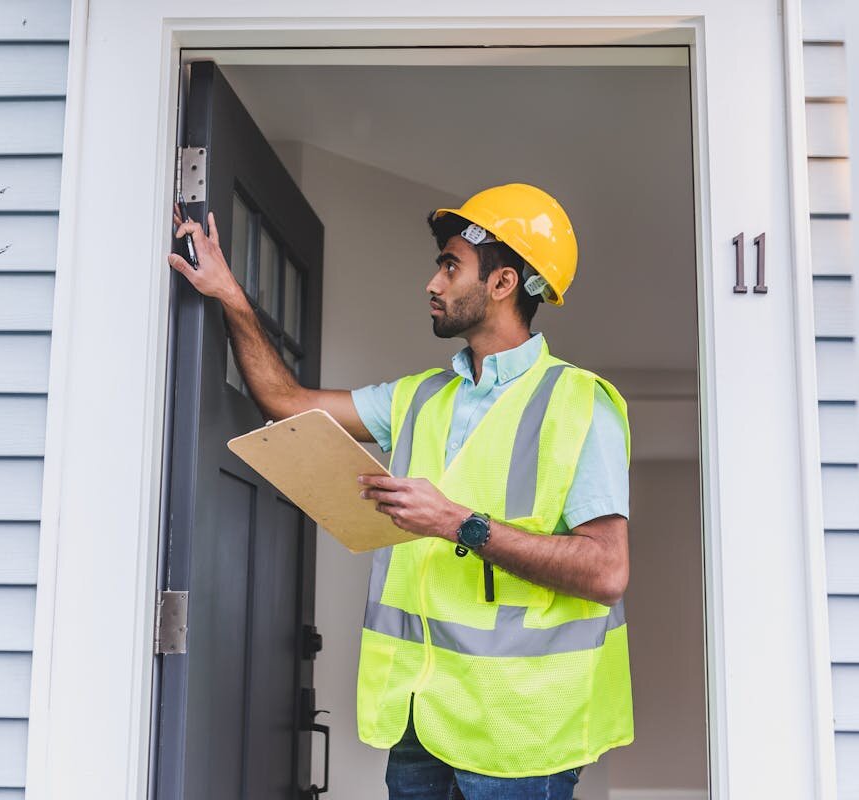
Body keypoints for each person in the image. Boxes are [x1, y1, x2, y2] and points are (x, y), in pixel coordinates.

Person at [168, 183, 633, 800]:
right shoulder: (418, 397)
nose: (432, 284)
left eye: (450, 266)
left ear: (503, 284)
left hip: (521, 733)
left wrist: (457, 522)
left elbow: (606, 571)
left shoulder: (580, 404)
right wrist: (230, 294)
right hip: (420, 719)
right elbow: (287, 403)